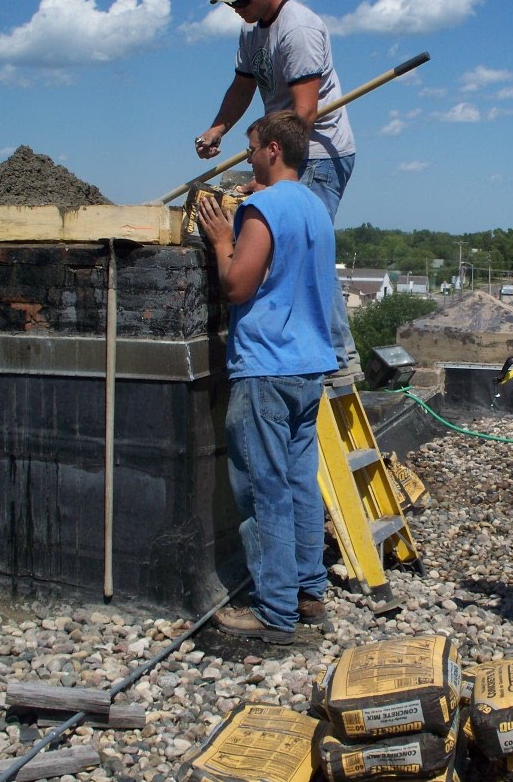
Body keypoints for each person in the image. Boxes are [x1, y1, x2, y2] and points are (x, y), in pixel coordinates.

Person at [197, 111, 339, 644]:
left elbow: (237, 285)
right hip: (308, 366)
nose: (248, 157)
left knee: (263, 489)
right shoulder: (315, 207)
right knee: (300, 482)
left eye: (253, 148)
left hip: (266, 366)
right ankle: (308, 591)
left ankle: (275, 612)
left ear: (273, 149)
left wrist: (218, 237)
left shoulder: (262, 208)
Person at [194, 0, 360, 382]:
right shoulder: (252, 33)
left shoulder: (298, 29)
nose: (237, 10)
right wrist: (218, 128)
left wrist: (264, 179)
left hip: (314, 151)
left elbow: (302, 115)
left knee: (308, 248)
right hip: (278, 149)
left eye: (242, 0)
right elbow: (242, 86)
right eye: (230, 3)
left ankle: (339, 359)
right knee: (271, 243)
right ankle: (300, 346)